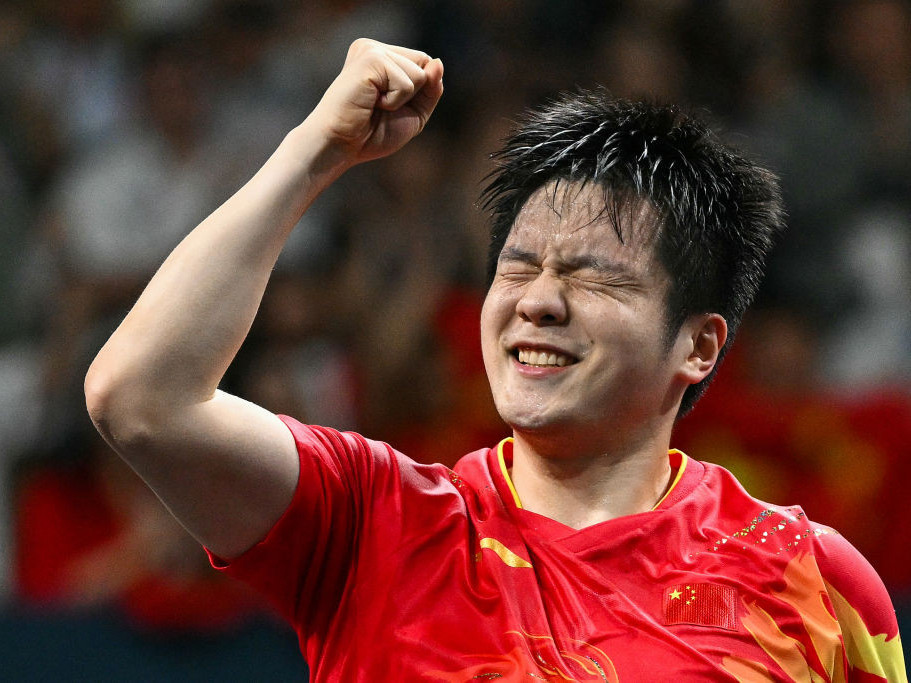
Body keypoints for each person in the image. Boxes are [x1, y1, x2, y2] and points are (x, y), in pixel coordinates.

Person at [85, 39, 906, 681]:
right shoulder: (379, 525)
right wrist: (313, 151)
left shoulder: (811, 580)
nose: (537, 301)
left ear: (696, 345)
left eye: (594, 277)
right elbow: (142, 398)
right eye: (517, 267)